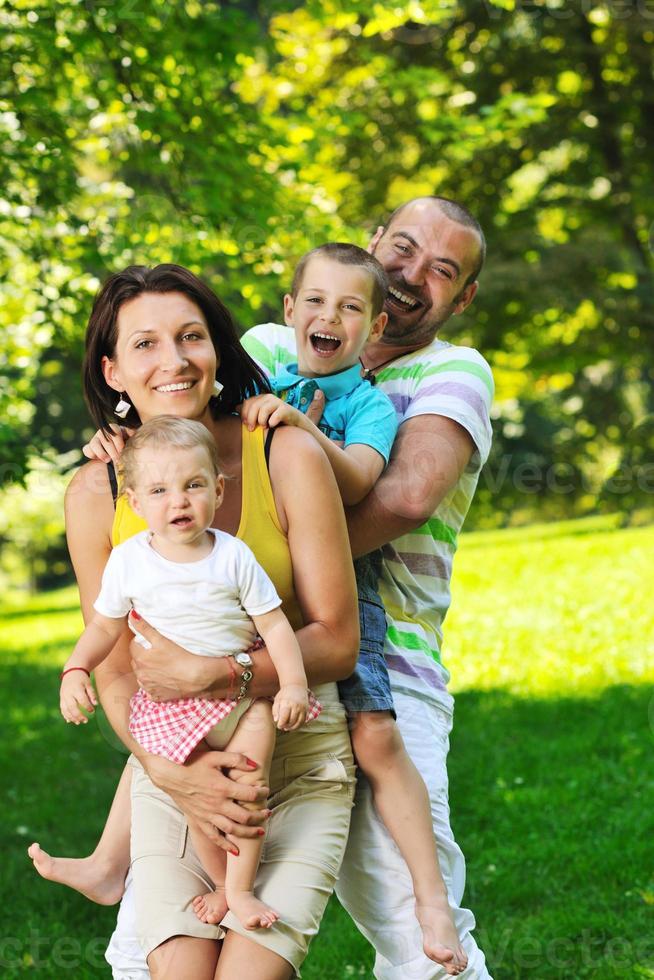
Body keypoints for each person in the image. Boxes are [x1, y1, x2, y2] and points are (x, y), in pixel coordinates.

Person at [30, 263, 359, 980]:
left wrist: (220, 672)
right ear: (113, 371)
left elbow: (337, 638)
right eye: (145, 345)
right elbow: (114, 663)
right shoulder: (95, 492)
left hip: (296, 761)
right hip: (172, 769)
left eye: (191, 337)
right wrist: (163, 771)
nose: (174, 360)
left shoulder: (285, 452)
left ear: (217, 350)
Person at [241, 197, 494, 979]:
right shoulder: (265, 348)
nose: (412, 274)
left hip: (385, 669)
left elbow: (404, 497)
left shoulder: (452, 371)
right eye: (405, 247)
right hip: (242, 657)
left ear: (462, 297)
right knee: (185, 904)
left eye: (441, 269)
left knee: (420, 940)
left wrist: (259, 565)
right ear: (375, 239)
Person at [59, 414, 323, 932]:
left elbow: (274, 627)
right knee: (202, 800)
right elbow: (103, 627)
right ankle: (221, 883)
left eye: (193, 485)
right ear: (134, 503)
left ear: (218, 491)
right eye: (159, 490)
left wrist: (292, 684)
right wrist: (75, 669)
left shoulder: (233, 557)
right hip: (172, 706)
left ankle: (241, 890)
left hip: (242, 697)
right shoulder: (130, 561)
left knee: (247, 787)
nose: (178, 501)